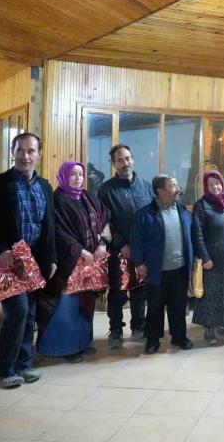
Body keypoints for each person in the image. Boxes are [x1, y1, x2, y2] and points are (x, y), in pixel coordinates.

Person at [0, 132, 56, 387]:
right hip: (6, 260)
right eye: (20, 150)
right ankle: (2, 369)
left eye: (31, 151)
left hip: (35, 261)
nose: (25, 156)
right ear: (12, 153)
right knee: (17, 310)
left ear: (39, 154)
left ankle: (23, 364)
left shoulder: (44, 186)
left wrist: (51, 258)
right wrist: (0, 250)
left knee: (29, 313)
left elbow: (49, 225)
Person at [37, 161, 110, 363]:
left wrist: (102, 244)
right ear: (63, 176)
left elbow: (106, 219)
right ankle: (62, 347)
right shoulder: (57, 200)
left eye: (80, 174)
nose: (78, 178)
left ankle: (82, 343)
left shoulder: (88, 197)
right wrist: (79, 250)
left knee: (85, 304)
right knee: (66, 306)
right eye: (73, 174)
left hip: (89, 264)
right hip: (67, 263)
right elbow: (57, 231)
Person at [131, 174, 194, 354]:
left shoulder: (183, 211)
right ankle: (152, 340)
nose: (178, 189)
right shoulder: (145, 214)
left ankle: (179, 337)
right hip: (156, 270)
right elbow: (136, 241)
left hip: (180, 269)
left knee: (178, 306)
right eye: (173, 186)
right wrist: (139, 263)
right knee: (155, 307)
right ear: (160, 191)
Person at [97, 144, 152, 349]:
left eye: (127, 158)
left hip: (143, 250)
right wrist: (121, 244)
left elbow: (152, 215)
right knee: (118, 294)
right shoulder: (105, 190)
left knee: (140, 291)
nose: (125, 163)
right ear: (114, 164)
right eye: (120, 160)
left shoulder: (145, 185)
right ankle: (115, 331)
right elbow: (105, 221)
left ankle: (139, 327)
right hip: (119, 251)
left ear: (133, 159)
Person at [191, 171, 224, 345]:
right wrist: (205, 257)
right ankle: (209, 330)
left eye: (218, 183)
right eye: (211, 184)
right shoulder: (201, 205)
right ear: (206, 187)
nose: (215, 187)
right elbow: (197, 235)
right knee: (212, 296)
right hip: (213, 259)